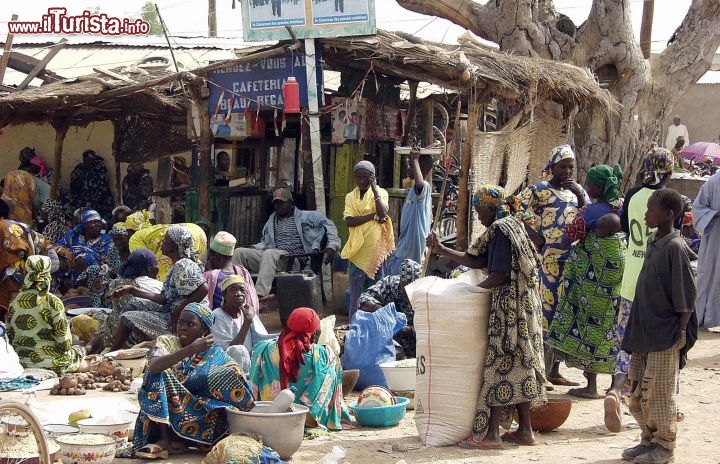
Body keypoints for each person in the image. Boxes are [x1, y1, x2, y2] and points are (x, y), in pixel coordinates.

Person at [427, 185, 546, 449]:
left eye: (480, 210)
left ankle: (492, 435)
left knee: (499, 364)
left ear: (491, 208)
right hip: (525, 309)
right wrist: (441, 250)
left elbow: (500, 274)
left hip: (509, 311)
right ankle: (525, 430)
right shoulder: (513, 225)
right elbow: (477, 260)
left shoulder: (502, 230)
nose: (479, 217)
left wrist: (467, 292)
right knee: (521, 364)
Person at [620, 188, 698, 464]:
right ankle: (648, 440)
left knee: (660, 393)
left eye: (650, 210)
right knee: (638, 393)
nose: (645, 214)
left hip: (666, 334)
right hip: (644, 330)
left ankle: (665, 446)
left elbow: (685, 299)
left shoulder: (675, 248)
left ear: (668, 215)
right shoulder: (655, 241)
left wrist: (680, 334)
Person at [127, 302, 255, 459]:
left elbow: (233, 375)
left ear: (204, 330)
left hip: (199, 412)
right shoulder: (166, 342)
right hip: (167, 412)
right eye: (181, 322)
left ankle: (183, 440)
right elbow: (154, 366)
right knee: (157, 374)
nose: (183, 327)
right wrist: (190, 349)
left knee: (229, 374)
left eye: (190, 324)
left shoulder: (214, 352)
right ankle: (165, 440)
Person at [605, 147, 675, 431]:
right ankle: (656, 407)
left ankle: (614, 391)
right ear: (668, 172)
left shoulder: (633, 194)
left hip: (630, 278)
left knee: (626, 342)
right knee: (657, 349)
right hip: (657, 283)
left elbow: (623, 229)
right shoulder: (669, 201)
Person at [546, 164, 626, 399]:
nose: (587, 187)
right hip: (617, 281)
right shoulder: (621, 206)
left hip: (591, 283)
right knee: (612, 329)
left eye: (589, 184)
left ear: (597, 187)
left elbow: (566, 239)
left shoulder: (589, 213)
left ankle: (591, 386)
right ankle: (614, 387)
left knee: (588, 327)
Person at [519, 144, 587, 387]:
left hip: (571, 262)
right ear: (552, 167)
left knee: (563, 313)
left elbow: (588, 216)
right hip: (547, 261)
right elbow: (515, 208)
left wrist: (579, 194)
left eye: (571, 167)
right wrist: (533, 233)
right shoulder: (539, 190)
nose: (567, 171)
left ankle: (554, 370)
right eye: (562, 167)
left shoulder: (575, 194)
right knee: (546, 313)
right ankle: (540, 372)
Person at [249, 307, 351, 431]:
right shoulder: (323, 354)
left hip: (270, 412)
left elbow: (253, 379)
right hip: (304, 416)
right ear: (313, 332)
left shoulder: (263, 349)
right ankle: (313, 415)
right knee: (332, 362)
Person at [110, 225, 209, 350]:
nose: (162, 242)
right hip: (173, 311)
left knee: (127, 317)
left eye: (166, 240)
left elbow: (203, 290)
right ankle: (141, 346)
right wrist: (132, 290)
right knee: (134, 303)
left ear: (174, 245)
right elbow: (164, 299)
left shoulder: (183, 264)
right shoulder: (175, 265)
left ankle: (114, 352)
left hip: (183, 319)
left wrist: (178, 313)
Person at [233, 187, 340, 300]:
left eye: (282, 203)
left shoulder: (306, 216)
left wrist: (332, 246)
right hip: (272, 258)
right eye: (276, 203)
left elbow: (330, 225)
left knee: (270, 253)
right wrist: (252, 248)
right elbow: (264, 244)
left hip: (292, 260)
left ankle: (260, 296)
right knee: (239, 252)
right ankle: (236, 291)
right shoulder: (272, 221)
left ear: (291, 202)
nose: (278, 206)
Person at [6, 256, 97, 374]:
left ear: (26, 272)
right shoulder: (52, 301)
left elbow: (10, 335)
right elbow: (64, 344)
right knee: (85, 350)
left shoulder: (15, 300)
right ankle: (90, 347)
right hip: (51, 363)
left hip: (20, 362)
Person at [341, 161, 395, 321]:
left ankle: (377, 326)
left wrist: (375, 189)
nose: (362, 181)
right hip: (358, 252)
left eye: (366, 178)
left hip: (376, 254)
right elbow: (349, 221)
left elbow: (383, 213)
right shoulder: (350, 197)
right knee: (356, 297)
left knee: (377, 295)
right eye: (359, 177)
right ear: (355, 178)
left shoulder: (381, 193)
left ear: (373, 177)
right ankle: (355, 328)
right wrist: (371, 217)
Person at [103, 248, 163, 349]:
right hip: (141, 337)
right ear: (149, 268)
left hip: (114, 333)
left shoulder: (115, 283)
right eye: (156, 264)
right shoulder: (160, 286)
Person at [211, 275, 271, 372]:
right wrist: (247, 321)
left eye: (242, 290)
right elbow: (231, 350)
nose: (239, 293)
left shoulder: (248, 312)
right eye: (233, 290)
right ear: (224, 294)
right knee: (238, 350)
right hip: (227, 366)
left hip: (250, 361)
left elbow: (262, 339)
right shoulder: (216, 316)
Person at [387, 149, 434, 275]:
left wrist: (415, 159)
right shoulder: (413, 191)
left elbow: (420, 183)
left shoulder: (424, 187)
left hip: (410, 253)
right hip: (403, 247)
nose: (408, 168)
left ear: (421, 167)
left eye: (410, 165)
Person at [129, 222, 207, 282]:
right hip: (197, 232)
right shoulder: (178, 266)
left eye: (164, 240)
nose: (160, 242)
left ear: (174, 246)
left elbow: (202, 290)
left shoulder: (183, 268)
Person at [692, 170, 720, 328]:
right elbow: (698, 207)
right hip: (714, 237)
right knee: (707, 276)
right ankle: (703, 316)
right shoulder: (713, 182)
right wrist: (715, 214)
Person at [205, 231, 258, 313]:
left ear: (216, 256)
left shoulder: (209, 276)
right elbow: (252, 301)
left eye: (210, 257)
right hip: (242, 322)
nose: (209, 260)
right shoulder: (243, 272)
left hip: (217, 323)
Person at [69, 149, 114, 217]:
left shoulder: (100, 168)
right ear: (84, 160)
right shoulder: (79, 169)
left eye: (93, 160)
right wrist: (84, 172)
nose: (92, 162)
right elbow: (73, 187)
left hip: (100, 200)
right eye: (89, 160)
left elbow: (103, 184)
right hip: (83, 200)